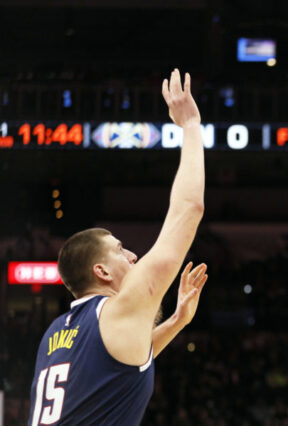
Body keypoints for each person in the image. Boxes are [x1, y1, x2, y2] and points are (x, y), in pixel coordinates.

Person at [28, 69, 208, 426]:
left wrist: (175, 321)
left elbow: (118, 363)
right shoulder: (115, 311)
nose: (132, 256)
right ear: (102, 271)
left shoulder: (56, 333)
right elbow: (190, 210)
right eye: (120, 249)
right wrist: (189, 125)